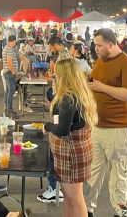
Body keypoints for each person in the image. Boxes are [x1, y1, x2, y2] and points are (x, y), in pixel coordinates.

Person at [87, 28, 127, 217]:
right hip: (98, 126)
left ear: (111, 44)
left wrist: (102, 87)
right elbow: (93, 81)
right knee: (93, 171)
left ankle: (119, 211)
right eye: (95, 44)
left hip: (120, 127)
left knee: (118, 173)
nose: (96, 48)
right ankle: (88, 209)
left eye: (99, 45)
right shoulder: (100, 60)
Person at [42, 58, 97, 217]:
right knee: (69, 197)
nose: (54, 76)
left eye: (56, 73)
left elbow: (63, 130)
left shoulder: (68, 97)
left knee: (75, 198)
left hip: (71, 154)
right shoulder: (79, 93)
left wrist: (47, 127)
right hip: (77, 151)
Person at [1, 35, 19, 117]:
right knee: (11, 90)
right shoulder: (9, 49)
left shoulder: (6, 48)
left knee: (8, 91)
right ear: (14, 41)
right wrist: (13, 71)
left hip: (7, 72)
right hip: (9, 73)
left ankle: (7, 109)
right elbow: (9, 62)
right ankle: (9, 110)